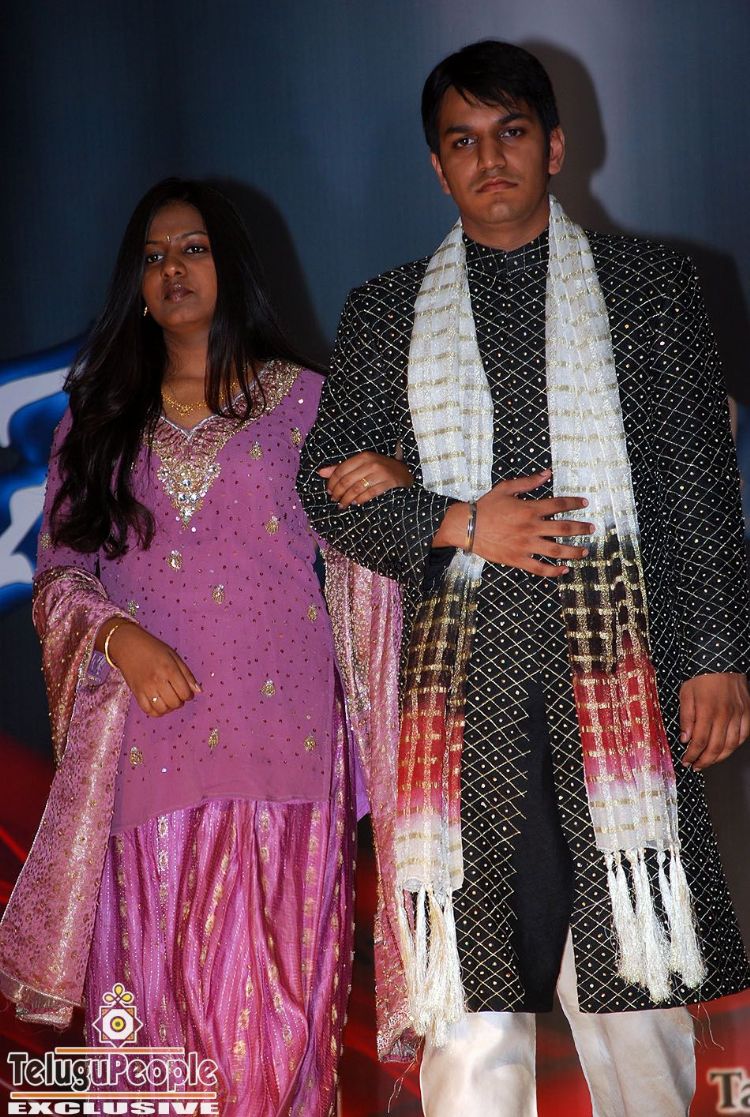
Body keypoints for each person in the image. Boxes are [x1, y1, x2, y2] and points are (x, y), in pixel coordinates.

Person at [298, 40, 750, 1116]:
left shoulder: (651, 289)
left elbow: (696, 483)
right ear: (437, 167)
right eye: (462, 141)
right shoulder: (387, 311)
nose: (488, 158)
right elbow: (327, 490)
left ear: (554, 145)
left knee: (636, 1001)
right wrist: (462, 520)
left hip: (622, 679)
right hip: (467, 700)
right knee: (473, 1016)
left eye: (510, 132)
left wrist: (717, 655)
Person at [0, 177, 410, 1116]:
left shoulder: (310, 402)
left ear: (231, 265)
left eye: (192, 248)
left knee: (275, 1033)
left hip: (284, 760)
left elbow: (375, 555)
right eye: (154, 257)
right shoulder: (98, 420)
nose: (173, 269)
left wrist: (401, 485)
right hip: (148, 761)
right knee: (151, 1032)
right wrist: (116, 635)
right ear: (137, 286)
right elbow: (58, 576)